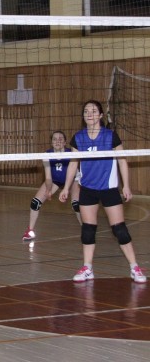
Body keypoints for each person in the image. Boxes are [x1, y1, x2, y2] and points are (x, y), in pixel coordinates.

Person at [59, 100, 146, 283]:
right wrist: (66, 188)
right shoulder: (78, 138)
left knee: (120, 230)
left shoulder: (110, 136)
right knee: (88, 230)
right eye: (86, 111)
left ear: (100, 115)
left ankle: (134, 267)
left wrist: (126, 186)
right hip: (87, 189)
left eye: (93, 111)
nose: (89, 114)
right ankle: (87, 268)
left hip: (109, 189)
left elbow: (122, 160)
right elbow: (73, 164)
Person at [22, 131, 81, 241]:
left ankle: (86, 229)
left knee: (76, 205)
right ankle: (30, 231)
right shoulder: (47, 155)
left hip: (73, 179)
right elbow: (48, 177)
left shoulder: (71, 153)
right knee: (35, 203)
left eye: (60, 139)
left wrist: (66, 189)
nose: (57, 141)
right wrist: (48, 190)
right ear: (51, 142)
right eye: (55, 139)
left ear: (65, 142)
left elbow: (73, 171)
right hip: (55, 180)